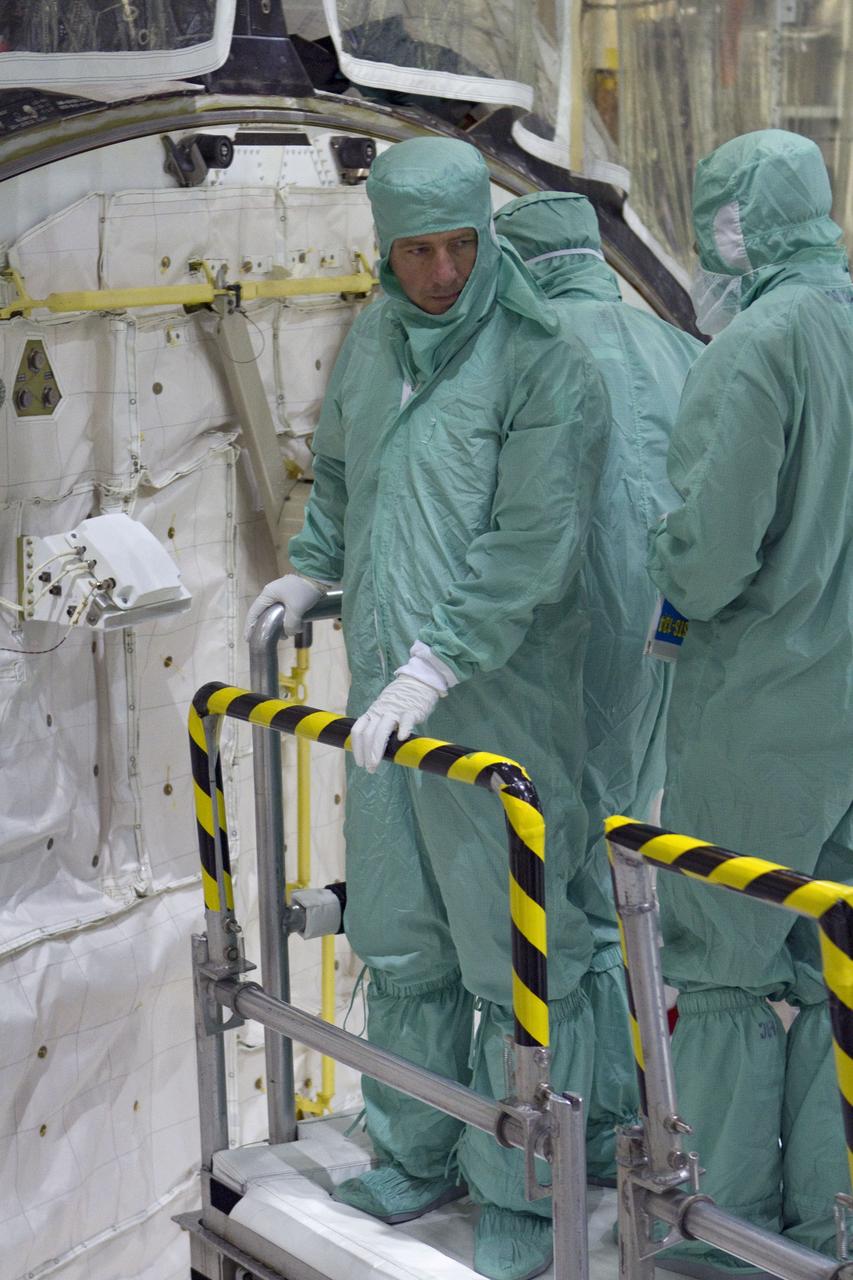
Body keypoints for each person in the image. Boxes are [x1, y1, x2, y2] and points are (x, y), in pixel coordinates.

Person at [245, 137, 611, 1280]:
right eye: (420, 249)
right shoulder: (374, 343)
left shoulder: (546, 365)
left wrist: (437, 661)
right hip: (389, 714)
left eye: (463, 244)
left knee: (514, 957)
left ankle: (520, 1186)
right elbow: (345, 481)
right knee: (400, 936)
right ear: (384, 248)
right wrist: (309, 570)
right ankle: (412, 1146)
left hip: (495, 707)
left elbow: (528, 544)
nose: (444, 271)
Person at [646, 128, 853, 1275]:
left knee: (722, 967)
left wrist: (661, 556)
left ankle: (721, 1240)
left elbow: (710, 555)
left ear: (732, 228)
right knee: (840, 970)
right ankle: (835, 1219)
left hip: (763, 713)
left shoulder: (755, 346)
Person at [494, 190, 702, 1183]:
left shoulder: (518, 355)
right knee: (632, 850)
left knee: (556, 879)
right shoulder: (674, 343)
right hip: (667, 634)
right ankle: (644, 1107)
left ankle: (566, 1147)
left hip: (562, 641)